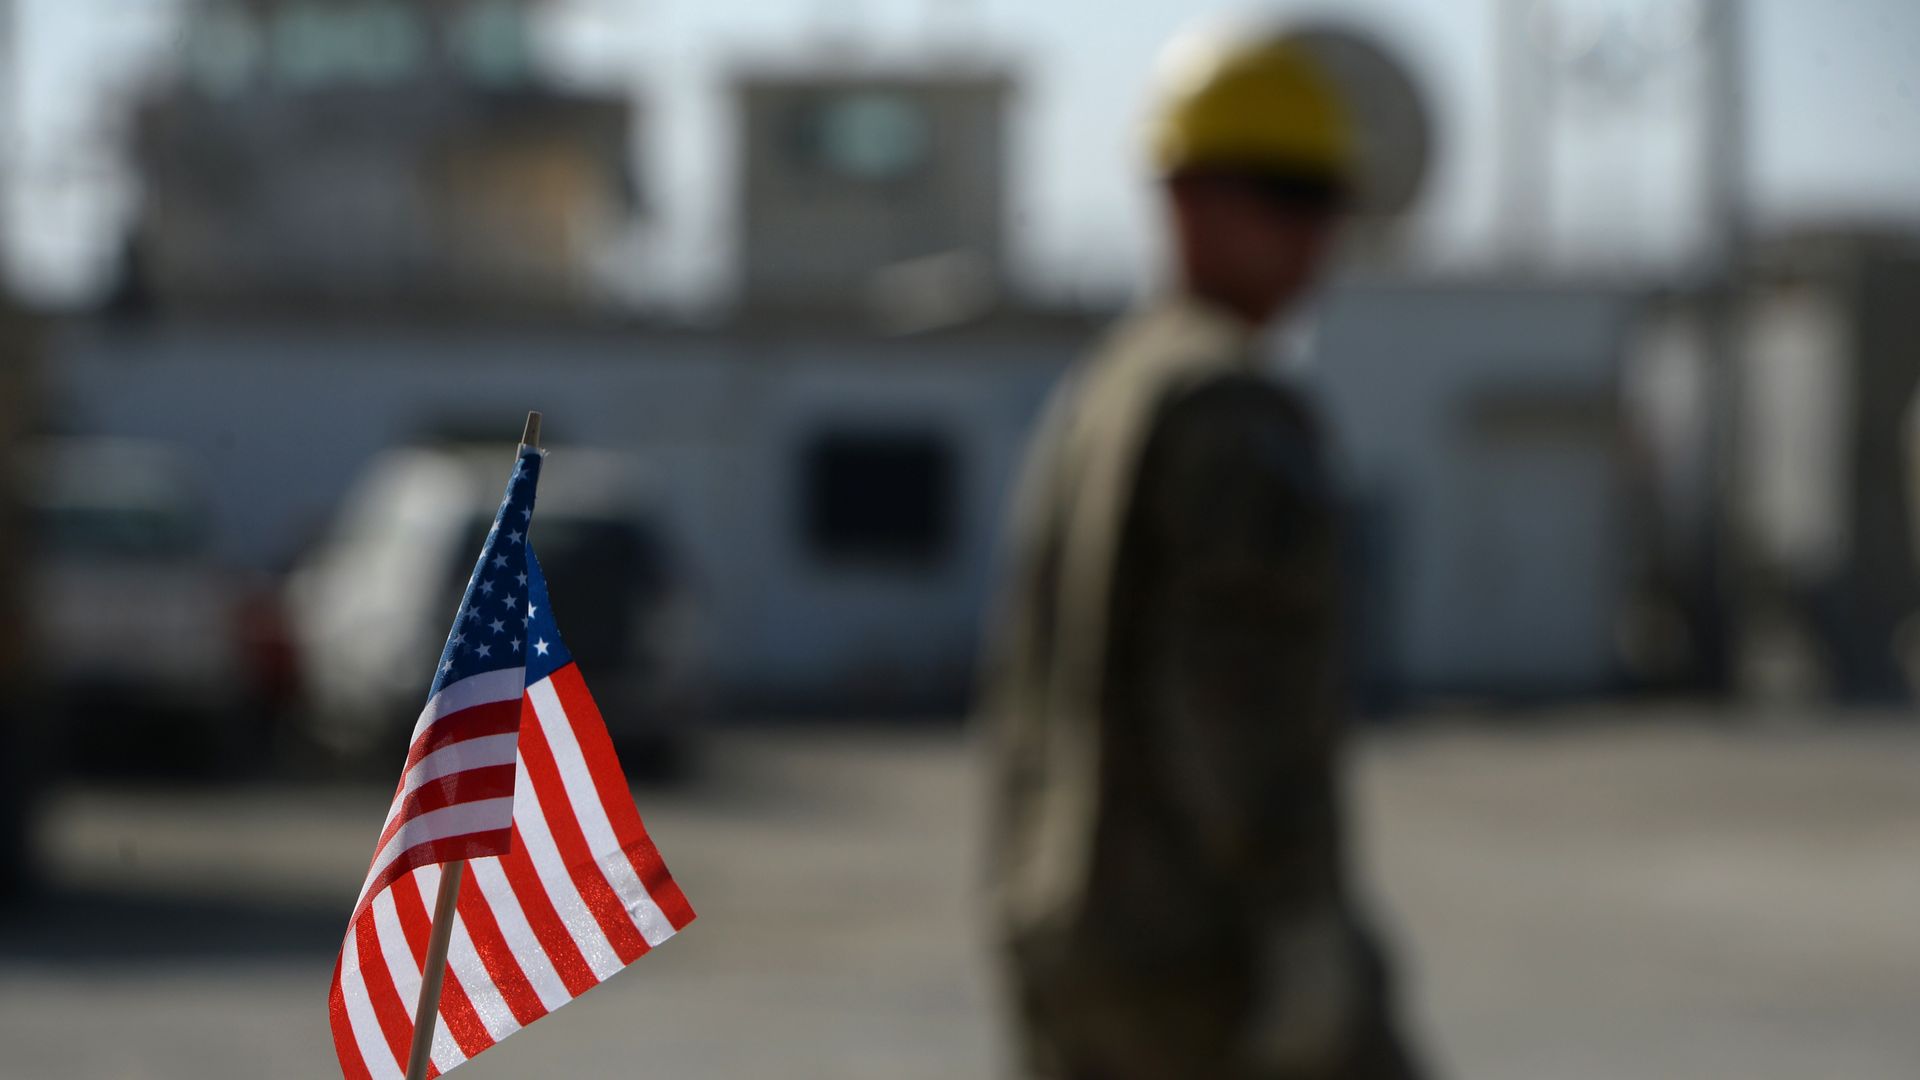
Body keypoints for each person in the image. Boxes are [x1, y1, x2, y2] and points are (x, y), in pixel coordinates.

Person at [979, 26, 1424, 1080]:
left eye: (1324, 203)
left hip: (1073, 936)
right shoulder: (1230, 406)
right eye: (1286, 195)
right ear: (1188, 198)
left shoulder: (1107, 393)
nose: (1315, 236)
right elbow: (1235, 693)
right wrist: (1298, 919)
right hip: (1200, 955)